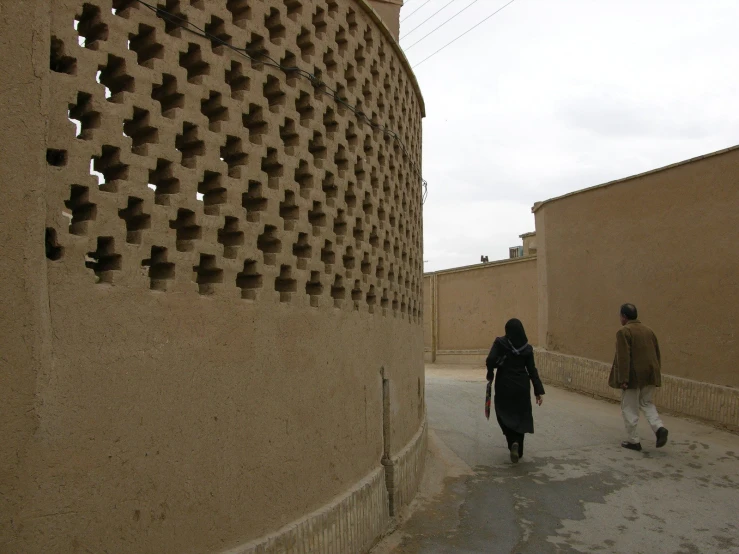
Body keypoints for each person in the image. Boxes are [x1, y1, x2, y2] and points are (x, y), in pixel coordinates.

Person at [609, 303, 668, 451]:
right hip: (650, 374)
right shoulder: (649, 331)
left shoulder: (624, 332)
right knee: (646, 403)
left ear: (624, 316)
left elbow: (623, 357)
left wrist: (623, 379)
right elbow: (657, 353)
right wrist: (656, 373)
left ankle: (634, 441)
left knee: (629, 407)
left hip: (633, 376)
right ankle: (659, 428)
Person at [485, 319, 545, 463]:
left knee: (503, 413)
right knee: (520, 416)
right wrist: (538, 391)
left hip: (504, 385)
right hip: (522, 387)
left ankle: (512, 442)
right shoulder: (527, 349)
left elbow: (490, 359)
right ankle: (519, 447)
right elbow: (532, 370)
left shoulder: (500, 343)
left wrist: (491, 371)